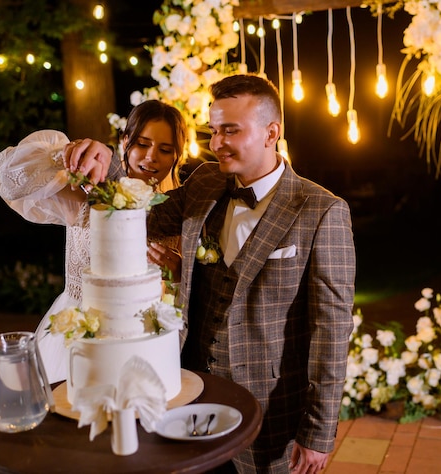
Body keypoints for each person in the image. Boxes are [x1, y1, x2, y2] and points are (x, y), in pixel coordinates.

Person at [148, 74, 356, 473]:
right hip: (191, 394)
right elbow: (140, 214)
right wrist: (106, 162)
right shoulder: (205, 181)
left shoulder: (321, 211)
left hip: (269, 412)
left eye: (230, 131)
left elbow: (331, 330)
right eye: (213, 131)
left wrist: (318, 431)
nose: (216, 143)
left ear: (270, 132)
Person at [0, 100, 187, 384]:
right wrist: (63, 155)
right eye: (142, 144)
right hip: (81, 333)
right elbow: (4, 176)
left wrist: (179, 277)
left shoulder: (181, 211)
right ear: (124, 141)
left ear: (177, 156)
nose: (152, 157)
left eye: (165, 150)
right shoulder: (89, 194)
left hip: (146, 337)